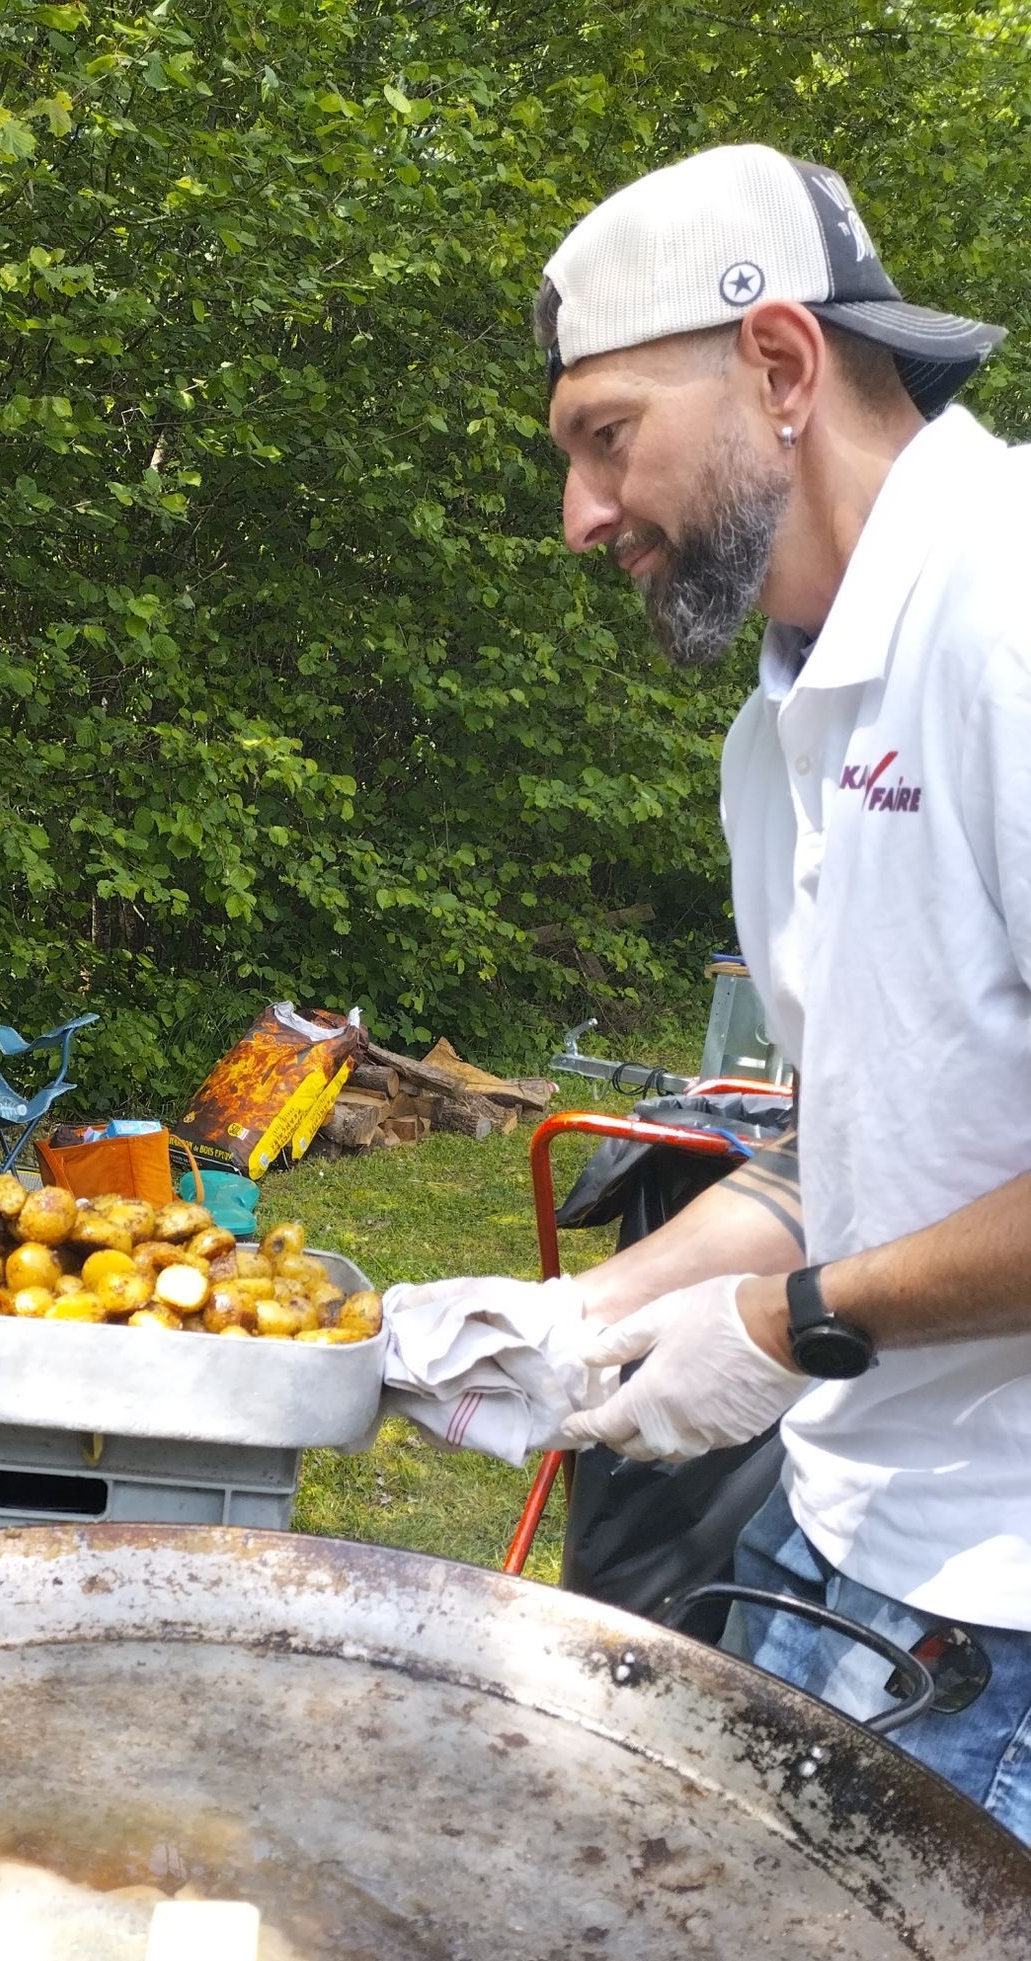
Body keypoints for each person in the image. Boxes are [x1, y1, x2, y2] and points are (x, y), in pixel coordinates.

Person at [406, 143, 1031, 1838]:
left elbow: (832, 1274)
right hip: (839, 1546)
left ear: (779, 366)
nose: (580, 515)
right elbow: (856, 1147)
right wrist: (579, 1319)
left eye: (607, 437)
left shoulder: (1012, 615)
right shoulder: (782, 728)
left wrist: (787, 1325)